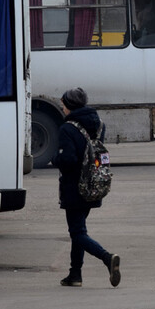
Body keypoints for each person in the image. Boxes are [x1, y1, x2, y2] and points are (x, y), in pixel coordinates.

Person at [51, 87, 121, 287]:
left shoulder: (67, 128)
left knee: (78, 233)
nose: (62, 107)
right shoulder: (99, 125)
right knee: (79, 231)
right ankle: (75, 274)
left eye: (63, 103)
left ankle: (107, 258)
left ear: (69, 106)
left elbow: (69, 159)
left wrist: (56, 158)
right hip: (94, 183)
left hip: (74, 187)